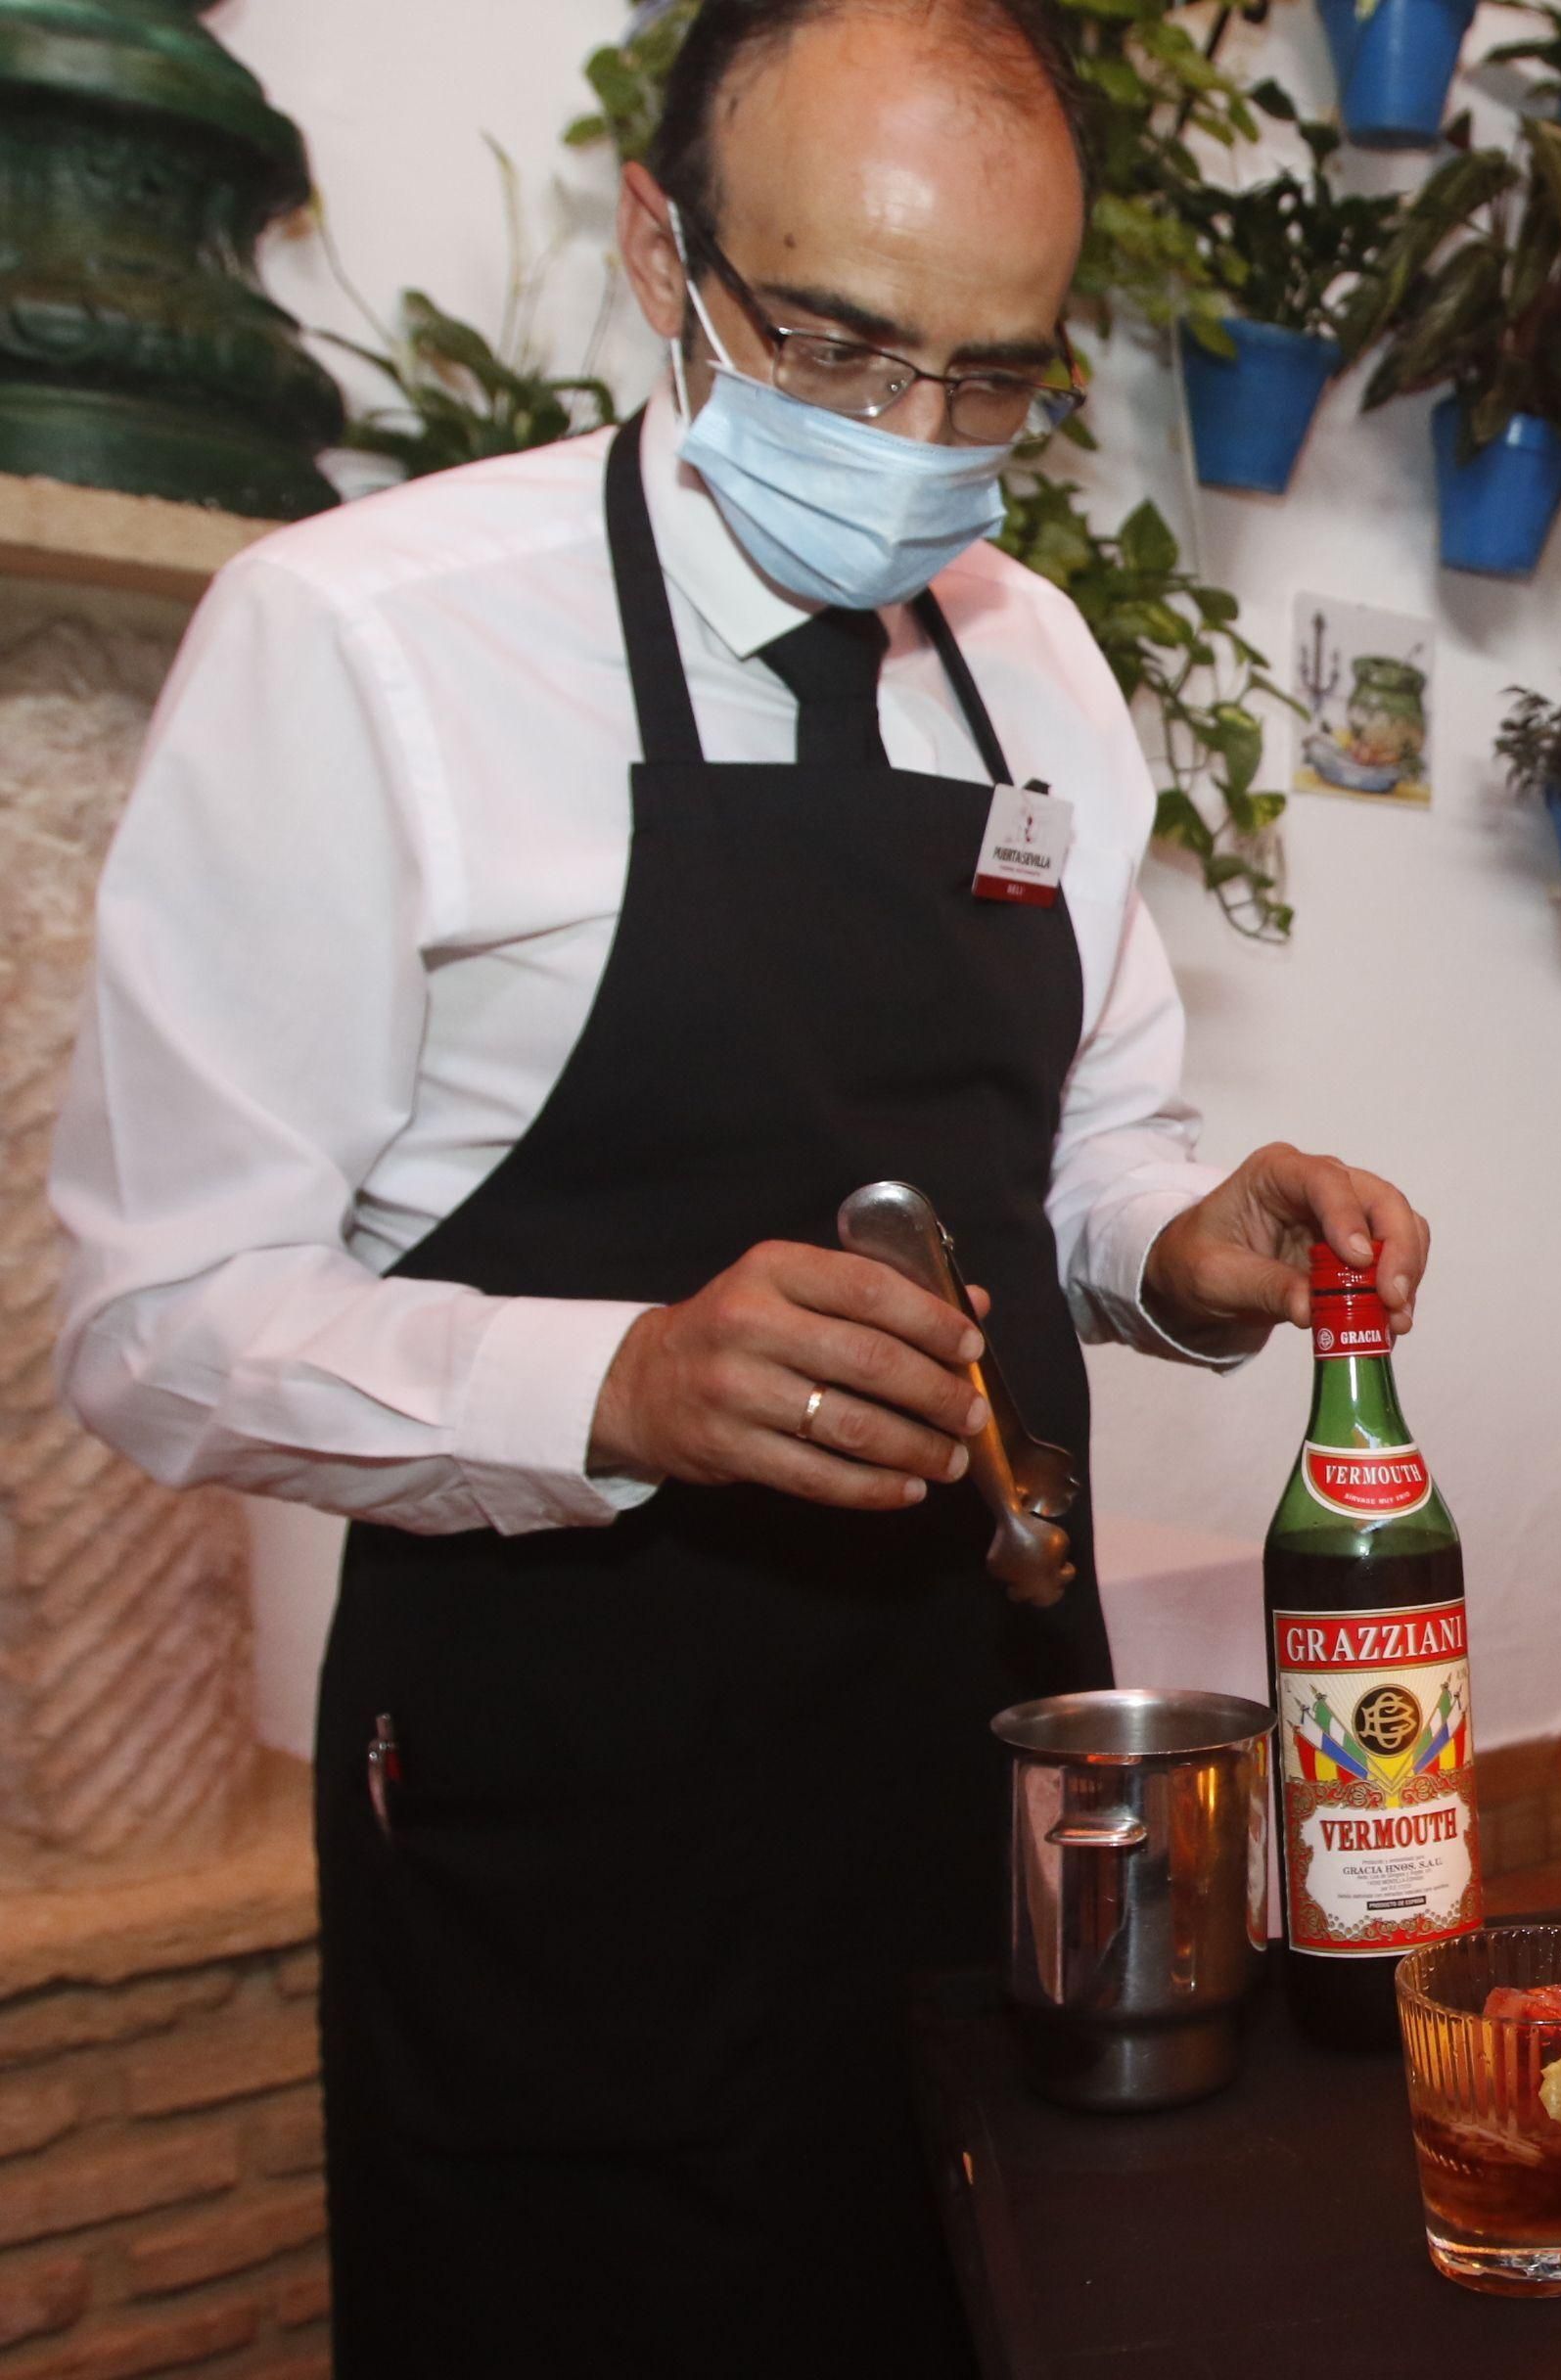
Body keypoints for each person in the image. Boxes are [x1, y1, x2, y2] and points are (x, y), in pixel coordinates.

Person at [50, 4, 1425, 2371]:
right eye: (840, 344)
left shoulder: (1045, 675)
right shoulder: (364, 645)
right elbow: (157, 1320)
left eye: (993, 379)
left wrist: (1191, 1255)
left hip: (990, 1791)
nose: (914, 439)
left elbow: (1077, 1161)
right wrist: (630, 1381)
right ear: (659, 244)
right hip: (575, 1843)